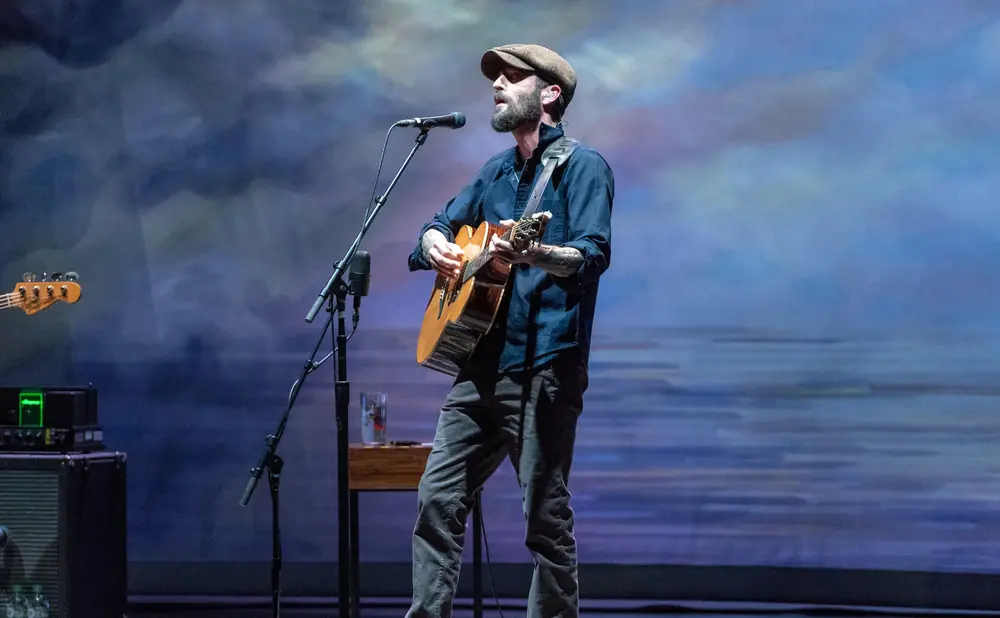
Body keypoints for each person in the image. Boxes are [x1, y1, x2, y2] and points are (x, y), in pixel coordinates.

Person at [405, 43, 615, 618]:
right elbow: (435, 226)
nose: (496, 84)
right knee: (437, 500)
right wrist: (436, 245)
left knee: (545, 519)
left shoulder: (582, 166)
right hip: (479, 366)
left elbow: (592, 255)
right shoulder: (493, 173)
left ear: (549, 93)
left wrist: (535, 253)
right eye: (494, 77)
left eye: (511, 76)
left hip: (545, 363)